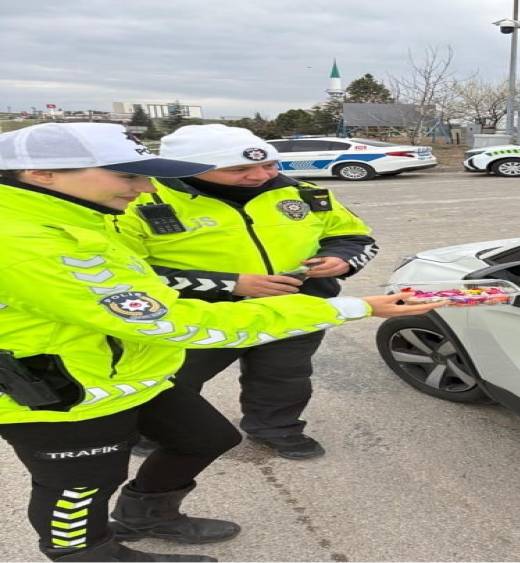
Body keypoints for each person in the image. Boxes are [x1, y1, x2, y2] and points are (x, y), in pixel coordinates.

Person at [0, 123, 439, 562]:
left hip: (129, 372)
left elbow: (350, 233)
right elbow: (166, 320)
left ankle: (147, 514)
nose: (146, 186)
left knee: (206, 438)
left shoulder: (79, 214)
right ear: (42, 174)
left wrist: (338, 271)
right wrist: (351, 308)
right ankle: (87, 554)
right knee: (80, 485)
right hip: (63, 392)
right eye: (128, 175)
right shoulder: (28, 240)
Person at [115, 125, 377, 460]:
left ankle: (276, 427)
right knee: (171, 378)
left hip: (295, 305)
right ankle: (153, 429)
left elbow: (357, 237)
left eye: (269, 165)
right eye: (239, 169)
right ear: (187, 167)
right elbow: (122, 274)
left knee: (285, 375)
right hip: (196, 313)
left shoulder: (301, 193)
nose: (259, 176)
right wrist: (232, 283)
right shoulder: (136, 203)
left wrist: (341, 259)